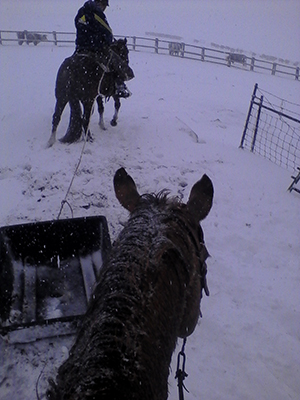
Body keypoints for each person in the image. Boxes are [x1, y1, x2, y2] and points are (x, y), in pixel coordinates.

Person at [75, 0, 131, 98]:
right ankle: (120, 86)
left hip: (81, 47)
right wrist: (105, 41)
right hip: (95, 47)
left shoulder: (82, 11)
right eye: (104, 5)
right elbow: (107, 31)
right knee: (116, 62)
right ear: (101, 3)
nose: (104, 8)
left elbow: (78, 24)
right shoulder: (97, 13)